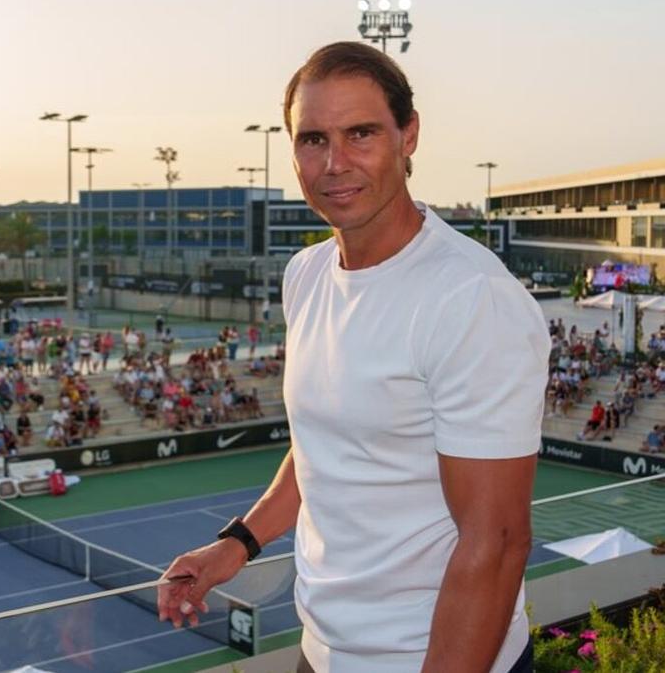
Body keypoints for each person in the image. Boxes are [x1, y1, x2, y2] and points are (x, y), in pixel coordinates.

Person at [157, 43, 545, 673]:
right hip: (327, 651)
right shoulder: (305, 274)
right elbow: (325, 444)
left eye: (360, 133)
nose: (335, 163)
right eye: (313, 139)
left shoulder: (472, 297)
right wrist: (238, 543)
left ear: (408, 135)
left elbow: (497, 544)